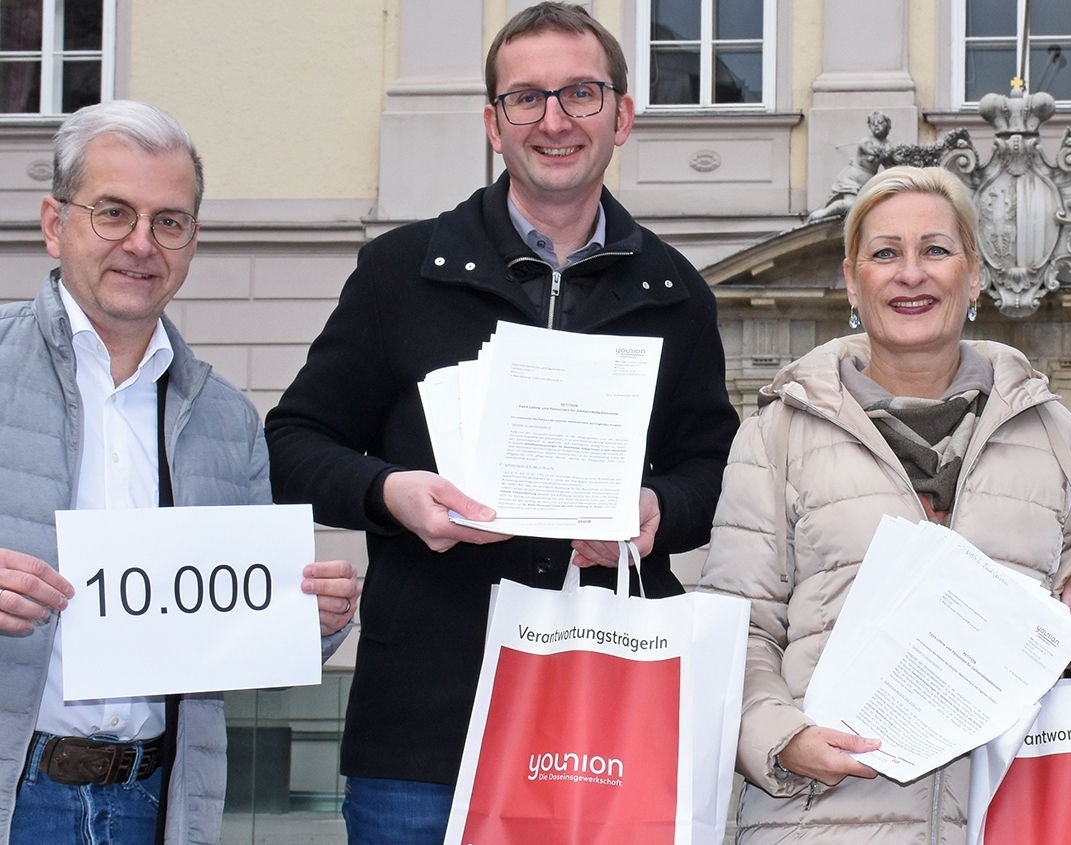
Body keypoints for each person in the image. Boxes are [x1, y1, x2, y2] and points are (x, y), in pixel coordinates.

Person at [263, 4, 739, 843]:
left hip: (602, 716)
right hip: (424, 731)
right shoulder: (400, 272)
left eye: (581, 93)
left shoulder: (675, 293)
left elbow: (714, 468)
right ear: (493, 123)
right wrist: (392, 494)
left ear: (622, 115)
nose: (554, 120)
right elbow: (291, 444)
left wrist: (657, 510)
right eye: (526, 98)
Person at [696, 166, 1071, 843]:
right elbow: (735, 629)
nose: (911, 274)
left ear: (974, 274)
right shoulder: (778, 434)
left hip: (1006, 817)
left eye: (935, 249)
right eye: (884, 253)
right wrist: (782, 740)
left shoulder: (1051, 432)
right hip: (821, 820)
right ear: (852, 281)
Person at [0, 100, 360, 845]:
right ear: (54, 223)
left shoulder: (227, 419)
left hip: (156, 802)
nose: (142, 243)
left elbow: (236, 628)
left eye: (169, 221)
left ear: (192, 242)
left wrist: (312, 623)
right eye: (113, 213)